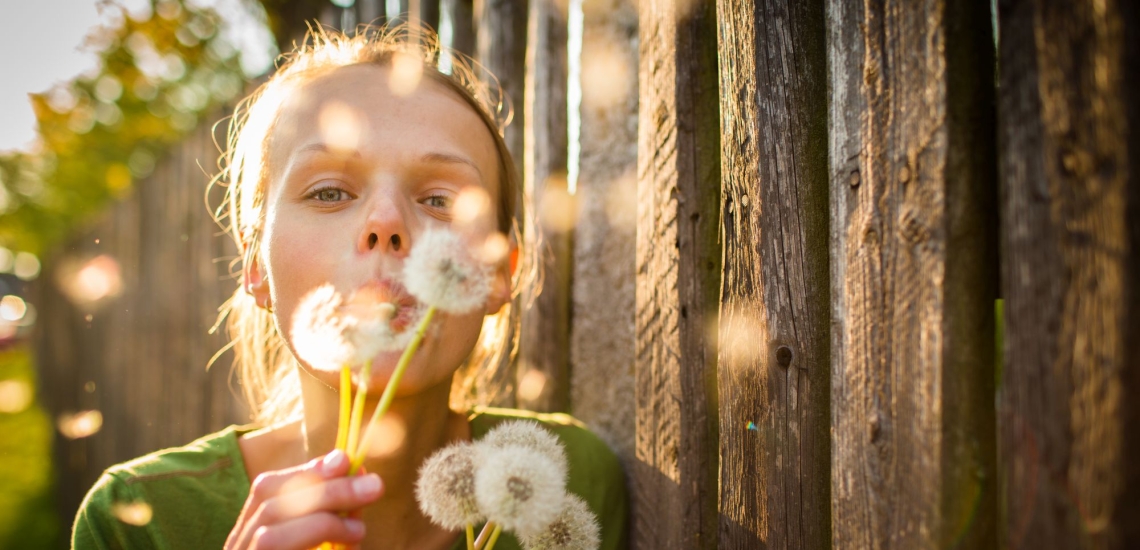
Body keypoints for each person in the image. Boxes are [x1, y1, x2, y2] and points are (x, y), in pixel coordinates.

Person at [72, 24, 627, 550]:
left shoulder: (571, 480)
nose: (385, 223)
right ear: (255, 267)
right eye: (329, 192)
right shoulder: (138, 522)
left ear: (500, 273)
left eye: (440, 201)